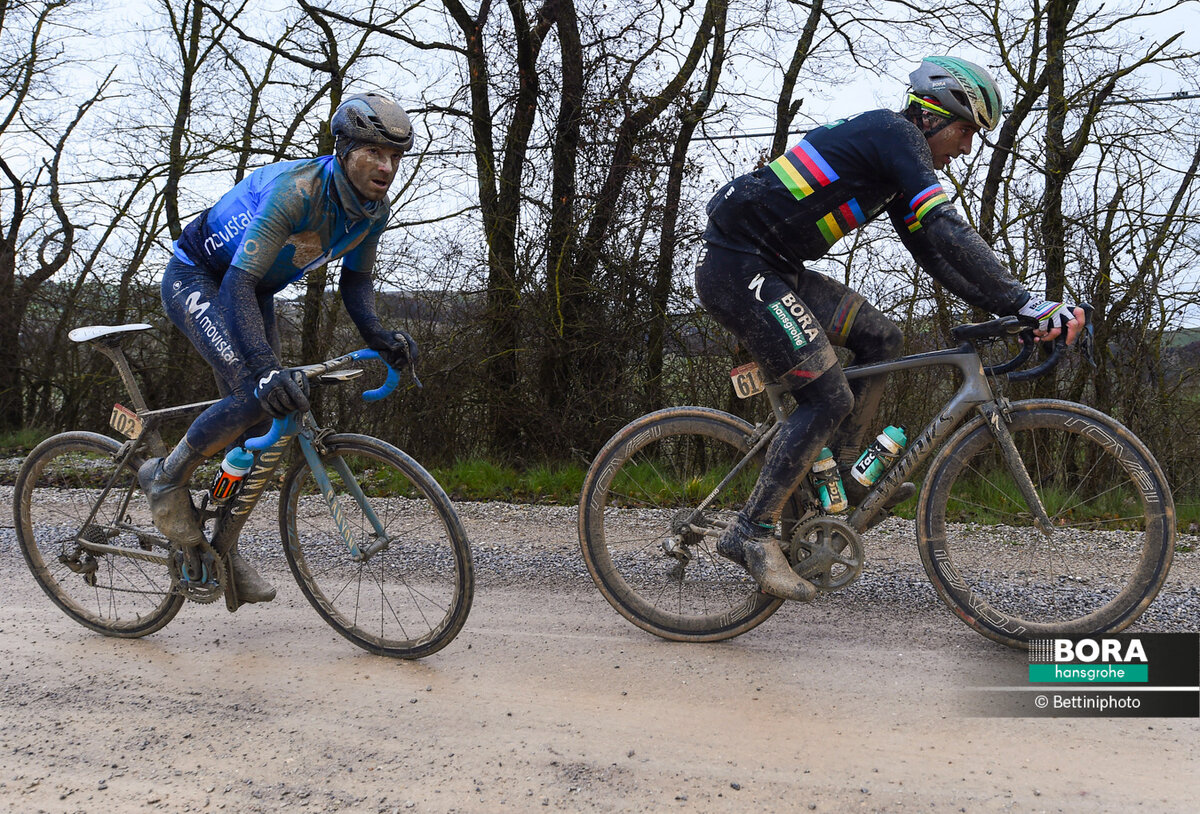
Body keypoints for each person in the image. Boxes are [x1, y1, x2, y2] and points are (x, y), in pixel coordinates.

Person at [695, 56, 1085, 601]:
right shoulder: (893, 133)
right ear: (935, 115)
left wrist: (1008, 308)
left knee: (882, 338)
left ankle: (846, 481)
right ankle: (750, 533)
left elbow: (935, 251)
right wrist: (1025, 303)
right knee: (826, 399)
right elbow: (947, 226)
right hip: (738, 268)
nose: (968, 147)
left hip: (775, 268)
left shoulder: (893, 165)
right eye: (968, 130)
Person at [139, 92, 420, 603]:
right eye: (375, 153)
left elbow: (355, 283)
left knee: (267, 423)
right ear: (344, 149)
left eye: (395, 157)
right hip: (203, 278)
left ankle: (218, 547)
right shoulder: (297, 193)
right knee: (255, 394)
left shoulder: (372, 211)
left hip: (251, 289)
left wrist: (380, 337)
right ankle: (165, 477)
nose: (387, 167)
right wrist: (266, 368)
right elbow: (236, 286)